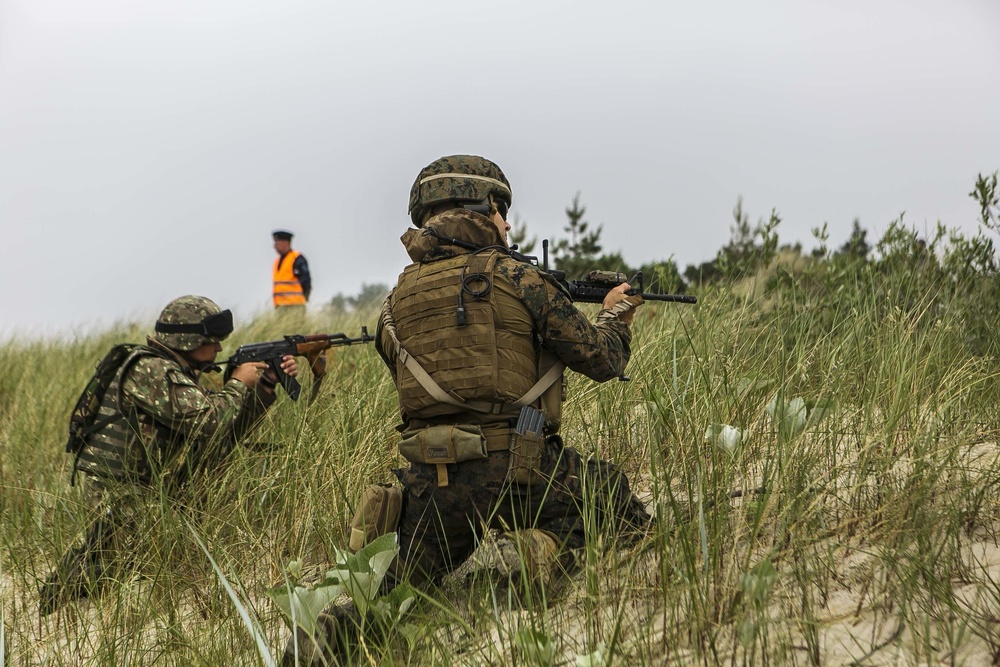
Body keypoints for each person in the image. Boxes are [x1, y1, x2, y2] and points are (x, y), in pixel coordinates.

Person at [282, 155, 651, 664]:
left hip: (431, 485)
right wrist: (616, 314)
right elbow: (601, 358)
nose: (508, 225)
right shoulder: (519, 279)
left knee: (399, 594)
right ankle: (531, 551)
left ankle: (336, 628)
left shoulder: (394, 301)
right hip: (517, 469)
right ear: (483, 207)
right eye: (502, 213)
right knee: (613, 498)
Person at [40, 295, 298, 615]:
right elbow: (209, 422)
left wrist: (265, 387)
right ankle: (54, 610)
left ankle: (65, 607)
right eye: (211, 341)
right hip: (118, 487)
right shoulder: (151, 370)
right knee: (107, 567)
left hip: (143, 486)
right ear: (187, 340)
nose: (218, 349)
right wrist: (237, 384)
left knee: (116, 563)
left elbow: (221, 437)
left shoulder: (177, 372)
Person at [272, 229, 312, 308]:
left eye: (277, 243)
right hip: (279, 306)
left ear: (286, 243)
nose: (275, 246)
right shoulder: (277, 261)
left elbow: (306, 281)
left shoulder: (297, 259)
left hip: (295, 306)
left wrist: (304, 298)